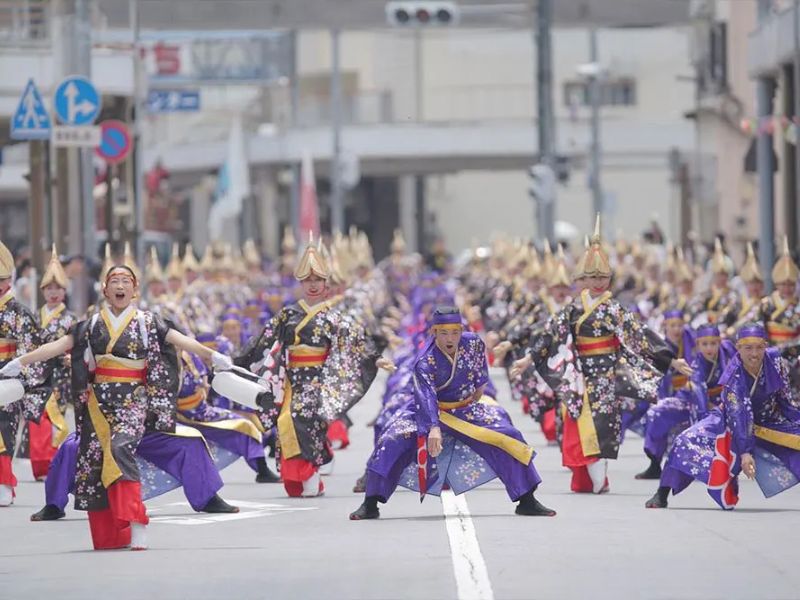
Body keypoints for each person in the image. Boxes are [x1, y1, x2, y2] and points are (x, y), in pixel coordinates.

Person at [0, 262, 234, 551]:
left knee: (119, 448)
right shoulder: (91, 325)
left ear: (135, 290)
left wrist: (212, 356)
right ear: (106, 290)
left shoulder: (149, 323)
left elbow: (181, 340)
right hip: (99, 406)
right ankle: (109, 530)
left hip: (134, 402)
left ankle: (137, 522)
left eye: (126, 281)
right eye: (114, 281)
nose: (120, 286)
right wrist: (20, 362)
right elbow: (58, 346)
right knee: (90, 458)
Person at [512, 215, 691, 494]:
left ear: (609, 279)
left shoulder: (614, 309)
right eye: (592, 277)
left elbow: (639, 335)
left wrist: (670, 359)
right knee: (575, 419)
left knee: (602, 424)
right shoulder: (573, 308)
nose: (597, 282)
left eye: (602, 277)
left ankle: (599, 476)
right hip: (580, 372)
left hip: (607, 373)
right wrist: (527, 358)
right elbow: (551, 333)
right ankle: (587, 476)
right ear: (584, 279)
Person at [350, 306, 555, 520]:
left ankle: (527, 500)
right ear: (434, 332)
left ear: (461, 330)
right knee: (390, 440)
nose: (450, 338)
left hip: (466, 409)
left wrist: (480, 385)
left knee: (508, 435)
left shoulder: (473, 343)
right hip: (429, 412)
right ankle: (370, 502)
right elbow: (425, 397)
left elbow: (480, 366)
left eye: (455, 332)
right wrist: (433, 428)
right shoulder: (425, 361)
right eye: (444, 333)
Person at [234, 236, 387, 498]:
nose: (313, 286)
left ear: (326, 284)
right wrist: (235, 362)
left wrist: (376, 358)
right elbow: (263, 339)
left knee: (302, 421)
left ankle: (311, 476)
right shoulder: (288, 314)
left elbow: (356, 341)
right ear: (301, 284)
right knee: (286, 423)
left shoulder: (333, 317)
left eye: (317, 281)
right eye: (308, 281)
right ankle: (303, 478)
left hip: (320, 380)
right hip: (291, 380)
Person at [647, 323, 800, 510]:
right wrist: (745, 452)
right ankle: (662, 493)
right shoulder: (733, 377)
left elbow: (785, 399)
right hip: (728, 421)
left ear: (766, 346)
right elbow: (739, 414)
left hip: (768, 421)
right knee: (684, 441)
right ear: (738, 348)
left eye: (759, 347)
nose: (754, 354)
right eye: (748, 348)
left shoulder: (775, 361)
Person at [0, 238, 49, 506]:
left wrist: (20, 379)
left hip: (6, 375)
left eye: (1, 280)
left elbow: (30, 351)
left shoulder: (19, 312)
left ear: (9, 281)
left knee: (3, 431)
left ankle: (5, 483)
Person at [26, 246, 77, 480]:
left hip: (60, 374)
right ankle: (40, 465)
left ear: (65, 291)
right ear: (43, 291)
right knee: (37, 418)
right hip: (37, 373)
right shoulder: (35, 317)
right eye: (49, 288)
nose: (53, 292)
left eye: (58, 288)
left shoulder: (72, 319)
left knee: (55, 419)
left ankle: (52, 463)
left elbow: (78, 346)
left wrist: (71, 359)